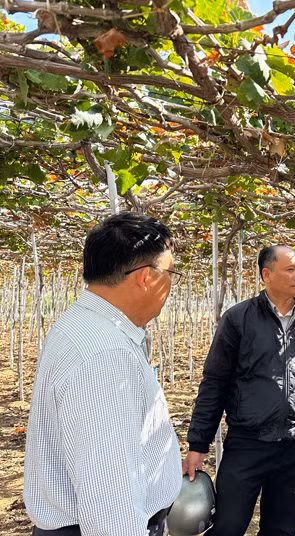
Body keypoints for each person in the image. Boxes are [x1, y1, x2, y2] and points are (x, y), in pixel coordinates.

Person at [24, 212, 183, 536]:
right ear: (146, 277)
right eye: (170, 273)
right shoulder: (105, 356)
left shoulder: (83, 327)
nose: (171, 284)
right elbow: (111, 503)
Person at [183, 245, 295, 536]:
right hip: (248, 442)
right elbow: (215, 382)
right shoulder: (238, 319)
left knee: (281, 528)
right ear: (267, 274)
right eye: (290, 269)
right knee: (228, 524)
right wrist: (198, 444)